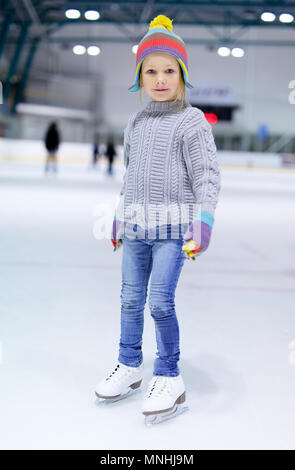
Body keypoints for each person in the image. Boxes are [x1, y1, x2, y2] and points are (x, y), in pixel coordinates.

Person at [94, 14, 221, 426]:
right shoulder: (135, 123)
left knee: (160, 302)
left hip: (172, 231)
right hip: (135, 228)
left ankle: (169, 376)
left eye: (169, 70)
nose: (160, 79)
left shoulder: (192, 121)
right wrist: (118, 216)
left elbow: (206, 175)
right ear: (140, 77)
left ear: (181, 74)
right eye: (151, 71)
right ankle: (130, 366)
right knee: (130, 300)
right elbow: (130, 177)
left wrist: (203, 221)